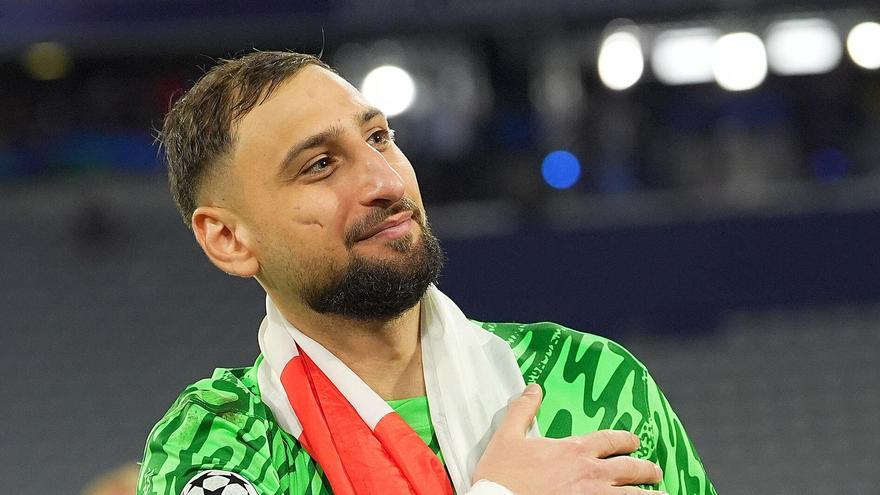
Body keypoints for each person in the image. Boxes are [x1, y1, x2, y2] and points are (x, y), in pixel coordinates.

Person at [137, 51, 716, 495]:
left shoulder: (589, 379)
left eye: (379, 139)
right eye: (320, 166)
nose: (386, 183)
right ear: (229, 238)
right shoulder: (224, 442)